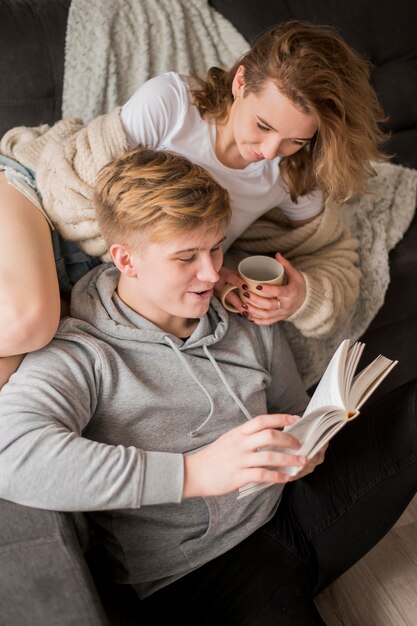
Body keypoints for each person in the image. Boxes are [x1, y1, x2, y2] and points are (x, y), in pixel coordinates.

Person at [0, 146, 416, 626]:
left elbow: (290, 407)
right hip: (198, 569)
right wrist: (193, 473)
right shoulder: (80, 354)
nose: (210, 272)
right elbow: (13, 453)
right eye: (186, 257)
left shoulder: (239, 309)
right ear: (125, 259)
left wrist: (309, 442)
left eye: (215, 247)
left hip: (295, 505)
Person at [0, 20, 387, 386]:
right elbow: (72, 193)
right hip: (35, 196)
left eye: (296, 140)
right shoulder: (173, 104)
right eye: (263, 126)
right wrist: (197, 273)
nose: (270, 151)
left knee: (20, 373)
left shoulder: (291, 176)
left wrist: (301, 295)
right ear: (240, 82)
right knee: (29, 323)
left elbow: (335, 256)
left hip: (94, 274)